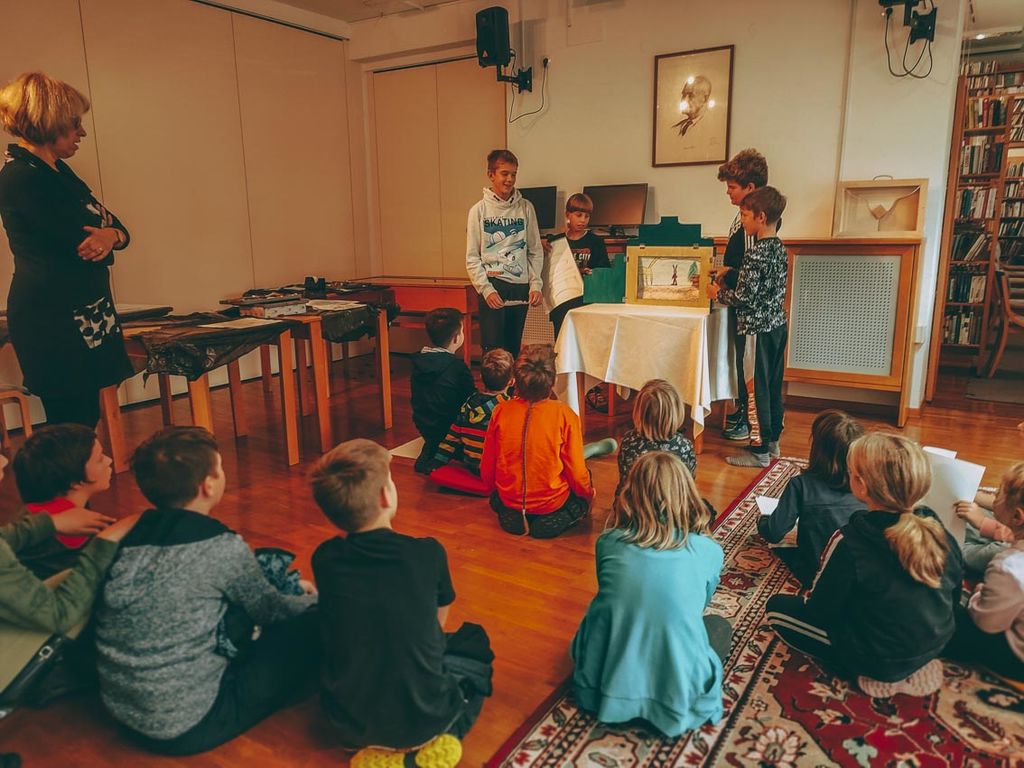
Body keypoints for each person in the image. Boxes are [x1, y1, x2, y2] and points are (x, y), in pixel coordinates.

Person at [93, 427, 319, 756]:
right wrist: (310, 599)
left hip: (122, 712)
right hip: (188, 724)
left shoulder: (126, 535)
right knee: (310, 626)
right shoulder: (220, 547)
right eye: (220, 467)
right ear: (208, 485)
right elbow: (271, 610)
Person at [310, 439, 493, 768]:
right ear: (386, 496)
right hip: (425, 718)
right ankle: (430, 745)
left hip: (347, 723)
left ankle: (371, 749)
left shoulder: (325, 558)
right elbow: (437, 621)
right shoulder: (426, 553)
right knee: (475, 647)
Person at [765, 433, 963, 697]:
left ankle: (880, 673)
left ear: (861, 485)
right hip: (936, 642)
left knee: (776, 608)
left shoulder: (850, 540)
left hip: (875, 658)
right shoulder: (935, 526)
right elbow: (955, 593)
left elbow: (819, 611)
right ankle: (911, 664)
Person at [0, 72, 132, 427]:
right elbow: (82, 243)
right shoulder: (20, 177)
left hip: (85, 310)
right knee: (71, 424)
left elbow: (115, 228)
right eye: (74, 123)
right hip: (53, 317)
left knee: (86, 418)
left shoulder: (60, 172)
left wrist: (112, 235)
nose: (81, 132)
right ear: (49, 122)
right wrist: (109, 236)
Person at [571, 451, 729, 736]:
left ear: (630, 493)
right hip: (675, 692)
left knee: (609, 618)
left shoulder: (608, 542)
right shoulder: (710, 551)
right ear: (687, 493)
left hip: (604, 684)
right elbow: (698, 607)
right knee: (718, 627)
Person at [0, 452, 134, 633]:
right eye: (99, 458)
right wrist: (103, 544)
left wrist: (49, 523)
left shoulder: (28, 514)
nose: (4, 460)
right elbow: (59, 616)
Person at [481, 344, 596, 538]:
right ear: (553, 381)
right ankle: (548, 519)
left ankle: (518, 515)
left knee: (498, 499)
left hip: (510, 501)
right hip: (551, 504)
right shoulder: (565, 415)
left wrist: (498, 491)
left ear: (515, 380)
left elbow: (487, 467)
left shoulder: (500, 411)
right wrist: (588, 495)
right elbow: (576, 472)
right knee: (586, 481)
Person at [710, 186, 789, 468]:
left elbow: (744, 298)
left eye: (744, 215)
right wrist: (732, 272)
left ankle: (759, 450)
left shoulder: (754, 253)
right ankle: (773, 441)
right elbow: (762, 286)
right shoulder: (779, 249)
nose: (742, 221)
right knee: (773, 386)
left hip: (756, 331)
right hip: (776, 327)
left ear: (761, 217)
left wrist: (716, 293)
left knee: (755, 390)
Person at [757, 410, 865, 585]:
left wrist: (762, 521)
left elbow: (774, 533)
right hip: (860, 573)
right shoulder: (869, 486)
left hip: (815, 573)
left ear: (817, 450)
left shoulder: (801, 485)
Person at [945, 461, 1024, 682]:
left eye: (998, 493)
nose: (994, 495)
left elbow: (986, 624)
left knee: (946, 613)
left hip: (1016, 658)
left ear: (1017, 517)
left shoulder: (1007, 566)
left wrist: (978, 594)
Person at [465, 149, 543, 356]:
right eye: (504, 173)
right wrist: (486, 289)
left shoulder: (526, 208)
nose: (510, 179)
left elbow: (535, 251)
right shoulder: (478, 211)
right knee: (492, 352)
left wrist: (535, 284)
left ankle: (511, 380)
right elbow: (472, 257)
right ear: (491, 174)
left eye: (513, 174)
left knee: (513, 350)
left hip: (519, 287)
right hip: (493, 286)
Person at [715, 149, 769, 442]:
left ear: (750, 188)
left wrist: (726, 282)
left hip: (748, 310)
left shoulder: (753, 223)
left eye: (732, 187)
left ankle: (749, 422)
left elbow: (749, 271)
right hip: (741, 301)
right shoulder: (744, 218)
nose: (728, 192)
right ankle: (742, 414)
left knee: (747, 364)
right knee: (739, 360)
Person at [12, 424, 114, 578]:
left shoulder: (29, 516)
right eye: (100, 459)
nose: (109, 460)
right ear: (74, 482)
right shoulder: (74, 534)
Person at [429, 349, 513, 495]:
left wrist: (437, 461)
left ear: (481, 377)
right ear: (512, 381)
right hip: (495, 471)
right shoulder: (509, 408)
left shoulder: (468, 404)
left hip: (472, 465)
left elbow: (452, 436)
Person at [410, 307, 475, 475]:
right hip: (451, 430)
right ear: (457, 338)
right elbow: (471, 400)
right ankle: (447, 454)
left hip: (425, 426)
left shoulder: (419, 362)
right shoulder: (457, 368)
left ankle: (433, 449)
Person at [615, 379, 696, 499]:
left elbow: (624, 481)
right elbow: (689, 483)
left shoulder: (628, 442)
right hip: (673, 507)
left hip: (634, 507)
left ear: (638, 412)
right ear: (677, 412)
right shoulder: (684, 446)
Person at [547, 193, 610, 339]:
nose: (583, 220)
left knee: (584, 339)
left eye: (587, 216)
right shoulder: (556, 241)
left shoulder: (596, 242)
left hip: (585, 300)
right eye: (578, 215)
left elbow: (605, 270)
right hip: (562, 301)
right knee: (562, 340)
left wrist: (593, 273)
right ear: (568, 215)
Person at [956, 486, 1014, 577]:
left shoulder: (1004, 552)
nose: (994, 493)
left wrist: (983, 522)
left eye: (999, 493)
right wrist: (966, 494)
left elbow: (959, 553)